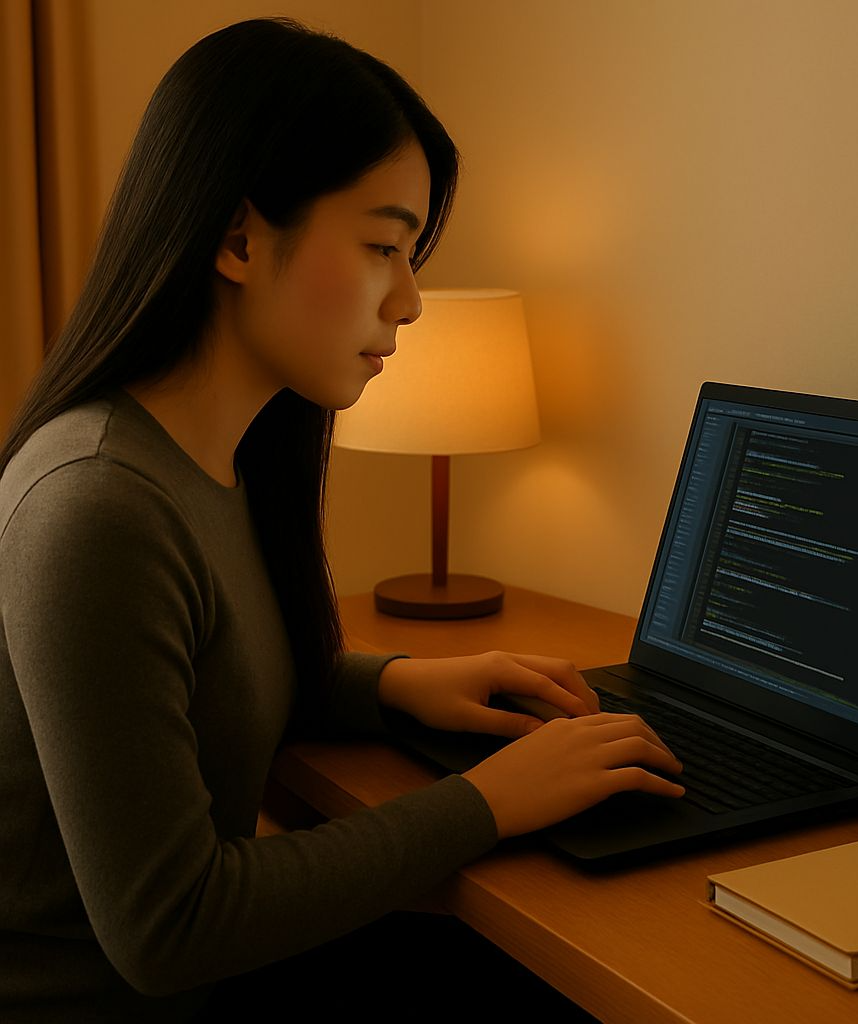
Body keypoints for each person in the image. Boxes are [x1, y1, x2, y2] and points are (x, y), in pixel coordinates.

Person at [0, 17, 684, 1021]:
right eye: (381, 247)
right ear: (238, 237)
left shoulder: (203, 462)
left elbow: (202, 679)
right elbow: (171, 924)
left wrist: (399, 684)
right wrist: (490, 799)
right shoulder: (97, 505)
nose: (408, 300)